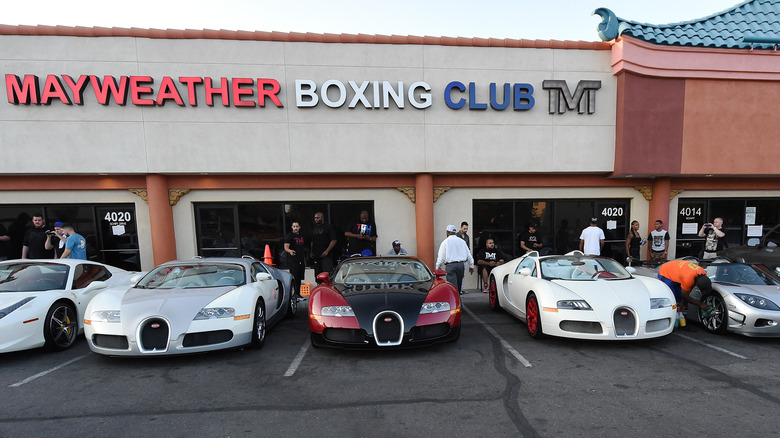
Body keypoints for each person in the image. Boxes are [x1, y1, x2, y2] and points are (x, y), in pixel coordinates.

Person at [435, 224, 475, 295]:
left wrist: (437, 268)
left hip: (450, 266)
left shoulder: (445, 242)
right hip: (461, 265)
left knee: (452, 287)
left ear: (447, 232)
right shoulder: (462, 241)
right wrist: (471, 265)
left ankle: (456, 303)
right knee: (458, 287)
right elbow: (469, 255)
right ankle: (459, 302)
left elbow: (441, 258)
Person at [310, 212, 337, 282]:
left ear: (322, 218)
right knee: (318, 276)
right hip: (316, 256)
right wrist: (311, 251)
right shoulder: (314, 228)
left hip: (326, 257)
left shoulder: (328, 227)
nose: (316, 219)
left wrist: (327, 251)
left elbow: (334, 240)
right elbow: (312, 241)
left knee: (327, 275)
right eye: (315, 218)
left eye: (318, 218)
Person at [284, 220, 307, 300]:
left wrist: (303, 259)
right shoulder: (289, 236)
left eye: (297, 226)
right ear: (292, 227)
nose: (295, 228)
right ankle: (294, 295)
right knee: (294, 277)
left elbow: (301, 249)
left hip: (300, 259)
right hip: (293, 261)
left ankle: (298, 294)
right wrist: (290, 251)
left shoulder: (301, 236)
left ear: (299, 227)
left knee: (299, 277)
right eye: (294, 226)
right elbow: (286, 247)